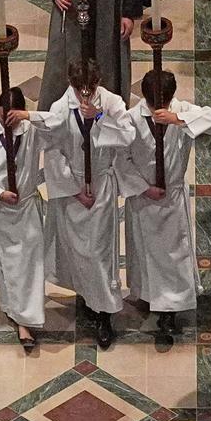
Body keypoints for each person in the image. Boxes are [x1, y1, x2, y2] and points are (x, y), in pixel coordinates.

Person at [123, 66, 211, 348]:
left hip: (171, 196)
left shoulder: (181, 110)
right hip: (143, 196)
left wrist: (176, 119)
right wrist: (143, 187)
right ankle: (147, 294)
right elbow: (122, 160)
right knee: (145, 252)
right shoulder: (132, 119)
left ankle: (171, 307)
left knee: (173, 252)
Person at [42, 55, 134, 343]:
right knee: (77, 252)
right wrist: (74, 190)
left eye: (90, 86)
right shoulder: (60, 108)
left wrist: (101, 118)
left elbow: (128, 135)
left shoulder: (111, 102)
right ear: (71, 83)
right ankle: (88, 296)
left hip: (102, 187)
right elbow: (53, 151)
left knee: (100, 254)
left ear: (98, 82)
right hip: (73, 190)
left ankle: (105, 314)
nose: (86, 92)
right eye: (80, 86)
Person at [0, 88, 51, 349]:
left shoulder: (30, 132)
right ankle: (20, 318)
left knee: (31, 264)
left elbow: (56, 123)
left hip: (27, 209)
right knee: (10, 266)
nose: (9, 123)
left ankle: (30, 314)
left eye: (14, 118)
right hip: (2, 213)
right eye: (5, 117)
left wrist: (29, 116)